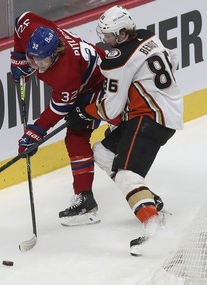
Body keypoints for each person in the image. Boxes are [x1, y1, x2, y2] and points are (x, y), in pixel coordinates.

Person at [66, 5, 183, 254]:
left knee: (127, 174)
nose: (104, 40)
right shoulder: (147, 36)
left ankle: (154, 227)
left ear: (120, 34)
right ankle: (147, 198)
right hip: (162, 110)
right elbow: (173, 59)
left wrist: (82, 112)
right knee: (103, 152)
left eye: (108, 35)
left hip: (151, 118)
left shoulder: (118, 59)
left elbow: (111, 110)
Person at [10, 11, 120, 226]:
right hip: (87, 81)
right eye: (33, 57)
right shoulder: (30, 29)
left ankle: (130, 188)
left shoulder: (65, 72)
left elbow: (59, 109)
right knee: (76, 137)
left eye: (42, 59)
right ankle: (85, 198)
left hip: (103, 84)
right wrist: (19, 57)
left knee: (77, 134)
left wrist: (34, 133)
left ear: (56, 53)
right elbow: (21, 20)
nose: (37, 64)